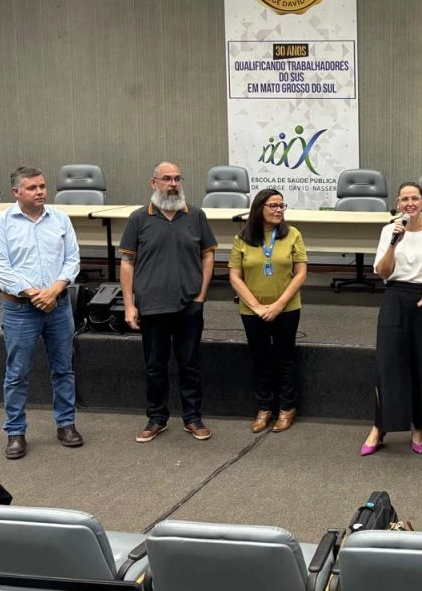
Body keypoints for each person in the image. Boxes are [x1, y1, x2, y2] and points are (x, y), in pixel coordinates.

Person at [0, 166, 83, 460]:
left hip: (59, 305)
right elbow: (0, 268)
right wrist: (34, 293)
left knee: (64, 369)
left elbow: (72, 259)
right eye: (32, 187)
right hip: (19, 309)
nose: (40, 191)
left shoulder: (60, 219)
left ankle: (66, 425)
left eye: (42, 186)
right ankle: (15, 432)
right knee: (17, 374)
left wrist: (54, 291)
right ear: (16, 192)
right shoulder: (1, 223)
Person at [120, 161, 217, 443]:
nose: (173, 184)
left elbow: (208, 255)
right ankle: (156, 418)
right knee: (155, 366)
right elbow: (127, 263)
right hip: (152, 305)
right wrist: (129, 305)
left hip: (189, 305)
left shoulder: (196, 215)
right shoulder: (139, 218)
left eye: (177, 179)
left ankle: (193, 418)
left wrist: (201, 295)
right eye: (167, 179)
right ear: (154, 183)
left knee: (190, 364)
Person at [360, 181, 422, 456]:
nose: (410, 203)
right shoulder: (389, 231)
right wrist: (394, 243)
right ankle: (380, 426)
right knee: (388, 365)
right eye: (404, 199)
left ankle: (419, 426)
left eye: (415, 198)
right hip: (396, 299)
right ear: (398, 204)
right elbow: (383, 271)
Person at [229, 188, 308, 434]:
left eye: (281, 206)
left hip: (286, 308)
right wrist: (256, 306)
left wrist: (278, 305)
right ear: (259, 208)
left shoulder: (293, 234)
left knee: (285, 358)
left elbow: (301, 273)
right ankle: (264, 407)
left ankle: (286, 408)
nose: (278, 210)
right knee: (259, 359)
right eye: (273, 205)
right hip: (252, 311)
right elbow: (235, 276)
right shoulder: (242, 238)